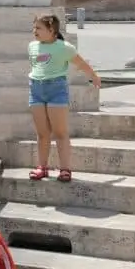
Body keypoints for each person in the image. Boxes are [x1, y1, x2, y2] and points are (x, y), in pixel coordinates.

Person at [27, 13, 101, 183]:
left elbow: (81, 64)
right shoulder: (32, 46)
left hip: (56, 89)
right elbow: (36, 66)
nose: (34, 31)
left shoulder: (64, 47)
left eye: (38, 28)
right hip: (36, 89)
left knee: (60, 132)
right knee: (42, 133)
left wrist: (94, 77)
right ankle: (42, 167)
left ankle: (65, 169)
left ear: (51, 30)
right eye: (34, 27)